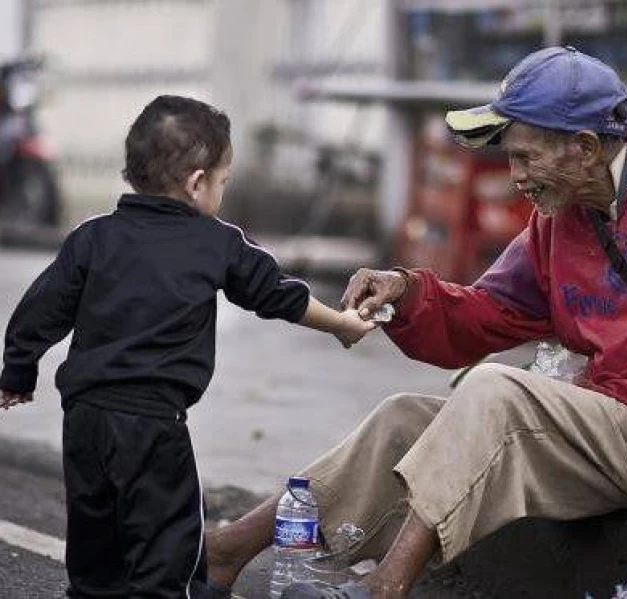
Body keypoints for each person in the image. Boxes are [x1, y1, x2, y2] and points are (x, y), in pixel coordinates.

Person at [204, 46, 627, 599]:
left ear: (584, 147)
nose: (516, 175)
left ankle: (387, 586)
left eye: (527, 157)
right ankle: (229, 548)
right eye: (511, 156)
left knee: (496, 391)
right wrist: (406, 291)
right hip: (609, 429)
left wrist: (580, 390)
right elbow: (488, 312)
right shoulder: (562, 215)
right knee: (404, 416)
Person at [0, 95, 375, 598]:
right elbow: (277, 294)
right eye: (222, 181)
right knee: (169, 543)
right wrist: (341, 324)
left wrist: (17, 373)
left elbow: (38, 313)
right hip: (153, 427)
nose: (221, 190)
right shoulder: (217, 243)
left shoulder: (91, 238)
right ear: (198, 183)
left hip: (85, 420)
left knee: (95, 540)